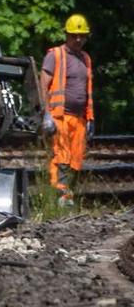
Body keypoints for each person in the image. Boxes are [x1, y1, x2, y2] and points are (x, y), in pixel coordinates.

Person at [40, 13, 94, 206]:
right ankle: (59, 196)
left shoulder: (85, 58)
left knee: (76, 159)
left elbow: (87, 91)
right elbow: (43, 84)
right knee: (61, 157)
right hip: (59, 116)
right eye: (74, 35)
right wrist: (46, 114)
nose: (78, 39)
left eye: (81, 36)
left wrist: (90, 119)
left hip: (79, 118)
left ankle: (69, 195)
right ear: (66, 35)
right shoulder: (55, 55)